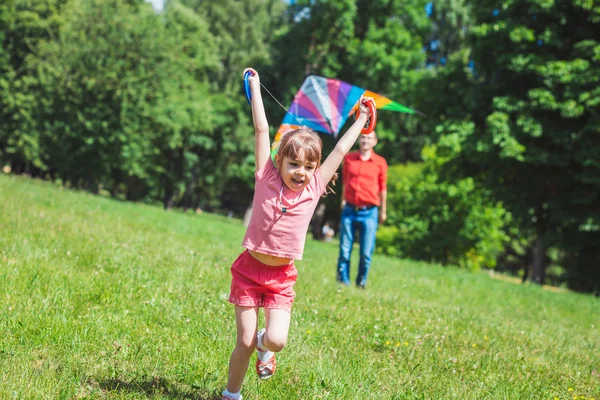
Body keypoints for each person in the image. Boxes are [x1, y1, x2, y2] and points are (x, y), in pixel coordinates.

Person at [221, 67, 375, 400]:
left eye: (308, 167)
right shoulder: (266, 177)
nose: (301, 173)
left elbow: (338, 152)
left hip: (281, 278)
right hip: (249, 271)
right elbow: (262, 128)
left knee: (275, 340)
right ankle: (231, 394)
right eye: (294, 165)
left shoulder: (314, 188)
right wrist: (256, 86)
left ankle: (266, 348)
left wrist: (361, 121)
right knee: (243, 343)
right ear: (279, 162)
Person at [336, 130, 388, 289]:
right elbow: (345, 182)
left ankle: (361, 283)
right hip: (350, 209)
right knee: (345, 249)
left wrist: (383, 211)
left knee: (366, 252)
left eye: (369, 138)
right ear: (359, 140)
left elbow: (383, 188)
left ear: (375, 141)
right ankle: (342, 282)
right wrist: (342, 201)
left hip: (370, 211)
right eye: (363, 137)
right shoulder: (349, 158)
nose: (365, 140)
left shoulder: (380, 162)